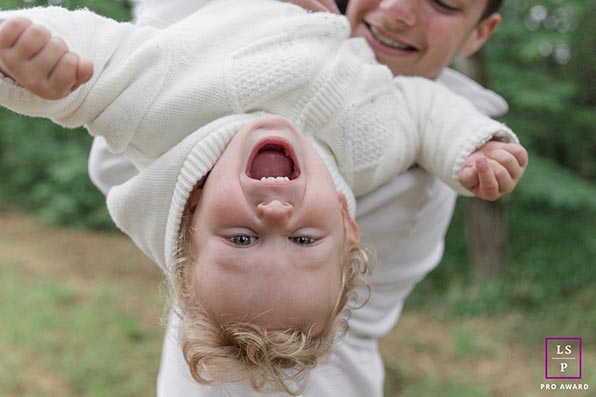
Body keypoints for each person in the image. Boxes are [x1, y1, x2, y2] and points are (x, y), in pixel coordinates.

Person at [0, 0, 526, 395]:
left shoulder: (163, 112)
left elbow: (96, 65)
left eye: (243, 237)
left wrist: (27, 65)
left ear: (190, 210)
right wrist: (471, 147)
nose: (275, 212)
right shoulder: (368, 149)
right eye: (301, 237)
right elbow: (423, 112)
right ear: (348, 220)